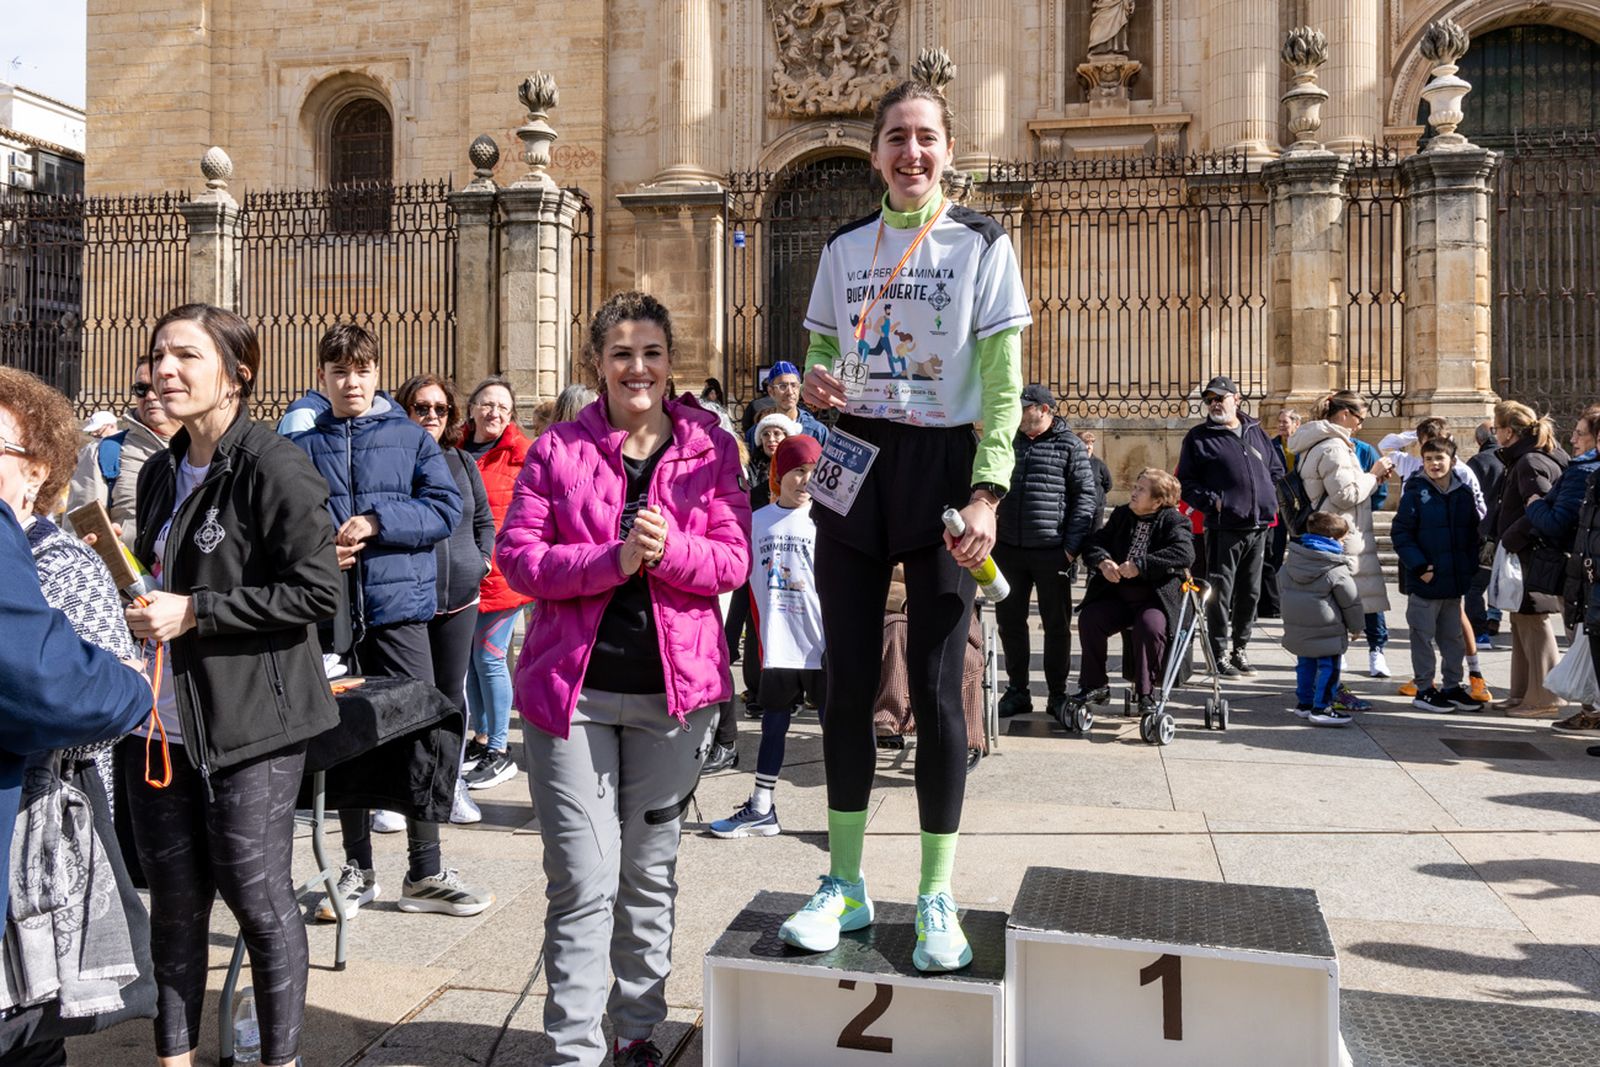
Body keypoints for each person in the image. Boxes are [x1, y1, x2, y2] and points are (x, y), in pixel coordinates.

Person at [787, 67, 1030, 974]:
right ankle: (844, 884)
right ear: (876, 152)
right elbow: (819, 349)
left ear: (948, 151)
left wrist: (988, 491)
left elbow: (1003, 383)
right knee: (847, 678)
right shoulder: (845, 246)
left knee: (935, 691)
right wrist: (814, 385)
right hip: (855, 463)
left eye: (926, 138)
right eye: (897, 138)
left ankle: (936, 889)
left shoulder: (981, 244)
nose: (912, 152)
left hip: (941, 463)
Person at [496, 291, 750, 1067]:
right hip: (570, 698)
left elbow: (733, 559)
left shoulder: (711, 448)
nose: (636, 368)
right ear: (596, 364)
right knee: (582, 879)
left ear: (670, 363)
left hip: (674, 702)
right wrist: (613, 560)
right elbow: (519, 558)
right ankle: (574, 1051)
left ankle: (635, 1029)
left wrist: (670, 549)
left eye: (651, 352)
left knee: (648, 873)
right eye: (620, 353)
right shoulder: (556, 451)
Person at [124, 303, 343, 1067]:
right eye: (158, 355)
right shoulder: (157, 469)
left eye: (186, 355)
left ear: (237, 374)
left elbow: (320, 595)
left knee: (258, 900)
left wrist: (197, 611)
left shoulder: (275, 465)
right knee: (174, 908)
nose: (166, 370)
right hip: (160, 723)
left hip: (254, 725)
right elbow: (162, 574)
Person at [291, 325, 494, 921]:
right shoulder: (301, 447)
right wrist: (319, 550)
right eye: (338, 370)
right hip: (330, 618)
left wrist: (377, 522)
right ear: (323, 375)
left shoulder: (410, 438)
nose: (350, 381)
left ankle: (426, 870)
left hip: (400, 610)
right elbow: (283, 525)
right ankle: (356, 869)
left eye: (361, 369)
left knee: (418, 731)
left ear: (377, 373)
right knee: (341, 738)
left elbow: (442, 509)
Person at [0, 369, 151, 1067]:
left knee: (35, 1015)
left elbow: (97, 714)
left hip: (48, 822)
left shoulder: (65, 562)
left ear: (37, 472)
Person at [710, 434, 824, 838]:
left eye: (812, 472)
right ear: (779, 474)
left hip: (822, 647)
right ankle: (761, 808)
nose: (805, 480)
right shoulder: (755, 521)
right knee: (773, 725)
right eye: (797, 471)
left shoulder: (827, 521)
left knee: (837, 730)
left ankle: (847, 816)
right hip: (777, 644)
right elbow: (734, 580)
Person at [397, 372, 496, 820]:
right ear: (406, 410)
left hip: (460, 595)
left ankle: (448, 784)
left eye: (440, 409)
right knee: (409, 697)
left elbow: (485, 522)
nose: (432, 416)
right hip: (408, 598)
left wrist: (482, 561)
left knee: (451, 695)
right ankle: (400, 792)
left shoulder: (461, 462)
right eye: (422, 407)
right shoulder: (393, 461)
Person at [993, 383, 1098, 720]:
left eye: (1026, 408)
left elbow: (1086, 497)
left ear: (1045, 410)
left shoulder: (1069, 445)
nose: (1020, 414)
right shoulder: (1009, 441)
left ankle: (1056, 693)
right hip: (1009, 549)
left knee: (1055, 625)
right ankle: (1017, 690)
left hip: (1052, 551)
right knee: (1010, 622)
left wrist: (1070, 549)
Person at [1288, 391, 1394, 712]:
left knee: (1321, 629)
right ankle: (1327, 696)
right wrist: (1373, 475)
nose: (1361, 426)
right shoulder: (1333, 445)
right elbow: (1346, 494)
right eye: (1360, 418)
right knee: (1332, 631)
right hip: (1337, 543)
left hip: (1329, 537)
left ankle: (1312, 695)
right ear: (1345, 414)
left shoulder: (1320, 441)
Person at [1175, 375, 1284, 677]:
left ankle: (1240, 648)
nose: (1214, 404)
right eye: (1209, 400)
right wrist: (1215, 502)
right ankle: (1218, 652)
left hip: (1259, 524)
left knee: (1250, 592)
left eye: (1219, 398)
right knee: (1220, 592)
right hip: (1224, 526)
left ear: (1236, 400)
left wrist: (1265, 496)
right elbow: (1186, 482)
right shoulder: (1198, 437)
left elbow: (1275, 469)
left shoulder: (1255, 431)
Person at [1382, 419, 1493, 704]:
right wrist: (1420, 567)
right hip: (1426, 578)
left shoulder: (1463, 492)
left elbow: (1472, 533)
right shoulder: (1415, 492)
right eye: (1428, 459)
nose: (1434, 464)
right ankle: (1424, 688)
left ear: (1452, 460)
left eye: (1440, 458)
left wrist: (1468, 567)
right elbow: (1401, 533)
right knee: (1422, 635)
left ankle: (1453, 686)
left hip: (1454, 578)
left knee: (1453, 637)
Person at [1068, 468, 1195, 717]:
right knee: (1091, 618)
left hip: (1155, 599)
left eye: (1141, 489)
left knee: (1149, 627)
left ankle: (1146, 693)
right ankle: (1095, 685)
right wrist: (1103, 561)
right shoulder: (1123, 514)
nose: (1133, 492)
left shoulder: (1173, 520)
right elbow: (1095, 542)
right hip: (1119, 596)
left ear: (1158, 501)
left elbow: (1184, 553)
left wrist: (1140, 565)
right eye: (1135, 487)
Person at [460, 376, 534, 783]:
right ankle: (482, 734)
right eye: (487, 404)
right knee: (470, 662)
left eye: (503, 407)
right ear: (471, 408)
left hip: (502, 575)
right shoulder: (455, 450)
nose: (494, 413)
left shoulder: (522, 454)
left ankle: (501, 748)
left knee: (490, 658)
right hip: (465, 574)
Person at [1514, 405, 1600, 730]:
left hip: (1577, 569)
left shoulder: (1582, 472)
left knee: (1583, 639)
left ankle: (1591, 712)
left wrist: (1535, 506)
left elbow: (1558, 522)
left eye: (1580, 433)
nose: (1573, 439)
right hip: (1583, 566)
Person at [1490, 400, 1570, 716]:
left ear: (1509, 431)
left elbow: (1542, 506)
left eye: (1497, 428)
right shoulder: (1527, 458)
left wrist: (1511, 537)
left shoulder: (1530, 462)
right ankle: (1522, 691)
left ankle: (1545, 697)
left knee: (1534, 621)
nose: (1495, 434)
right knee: (1520, 619)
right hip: (1523, 552)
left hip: (1529, 554)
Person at [65, 359, 180, 548]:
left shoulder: (209, 450)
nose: (150, 396)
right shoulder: (102, 453)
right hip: (136, 575)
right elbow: (81, 534)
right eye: (142, 389)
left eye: (159, 386)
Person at [1278, 511, 1365, 727]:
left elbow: (1281, 585)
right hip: (1327, 629)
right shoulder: (1335, 569)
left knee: (1305, 663)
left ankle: (1305, 703)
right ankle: (1322, 707)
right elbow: (1350, 601)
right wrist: (1356, 627)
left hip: (1299, 625)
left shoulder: (1292, 562)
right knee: (1329, 667)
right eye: (1343, 539)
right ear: (1333, 539)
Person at [1466, 421, 1506, 646]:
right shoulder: (1510, 459)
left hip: (1485, 533)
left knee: (1475, 586)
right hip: (1508, 531)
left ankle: (1479, 630)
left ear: (1478, 440)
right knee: (1498, 579)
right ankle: (1494, 618)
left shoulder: (1478, 462)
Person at [1258, 408, 1301, 620]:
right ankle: (1271, 598)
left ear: (1297, 424)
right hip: (1278, 504)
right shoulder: (1271, 445)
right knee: (1274, 552)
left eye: (1286, 422)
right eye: (1280, 422)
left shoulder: (1304, 446)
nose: (1282, 426)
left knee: (1299, 549)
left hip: (1299, 507)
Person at [745, 360, 828, 448]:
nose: (790, 392)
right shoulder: (757, 433)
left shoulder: (816, 431)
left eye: (794, 385)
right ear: (771, 391)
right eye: (783, 386)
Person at [1080, 429, 1112, 531]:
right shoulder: (1074, 463)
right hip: (1079, 506)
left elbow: (1108, 484)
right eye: (1086, 443)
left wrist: (1098, 494)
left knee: (1095, 534)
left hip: (1097, 507)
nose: (1089, 447)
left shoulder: (1099, 464)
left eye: (1091, 444)